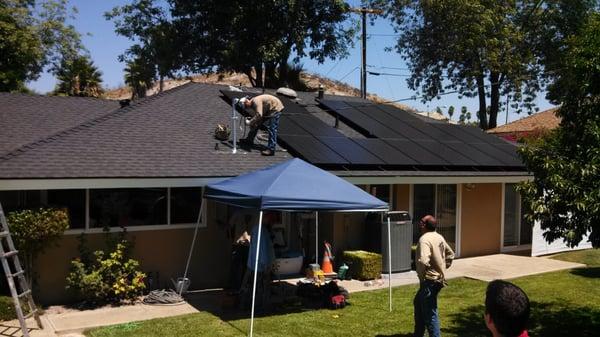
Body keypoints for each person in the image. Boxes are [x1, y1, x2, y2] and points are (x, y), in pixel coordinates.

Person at [413, 215, 455, 337]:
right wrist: (442, 269)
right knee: (418, 303)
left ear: (424, 225)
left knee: (430, 314)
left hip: (429, 281)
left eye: (421, 221)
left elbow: (423, 260)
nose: (419, 223)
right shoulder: (439, 237)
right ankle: (418, 333)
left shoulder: (424, 239)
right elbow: (451, 254)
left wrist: (423, 276)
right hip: (436, 281)